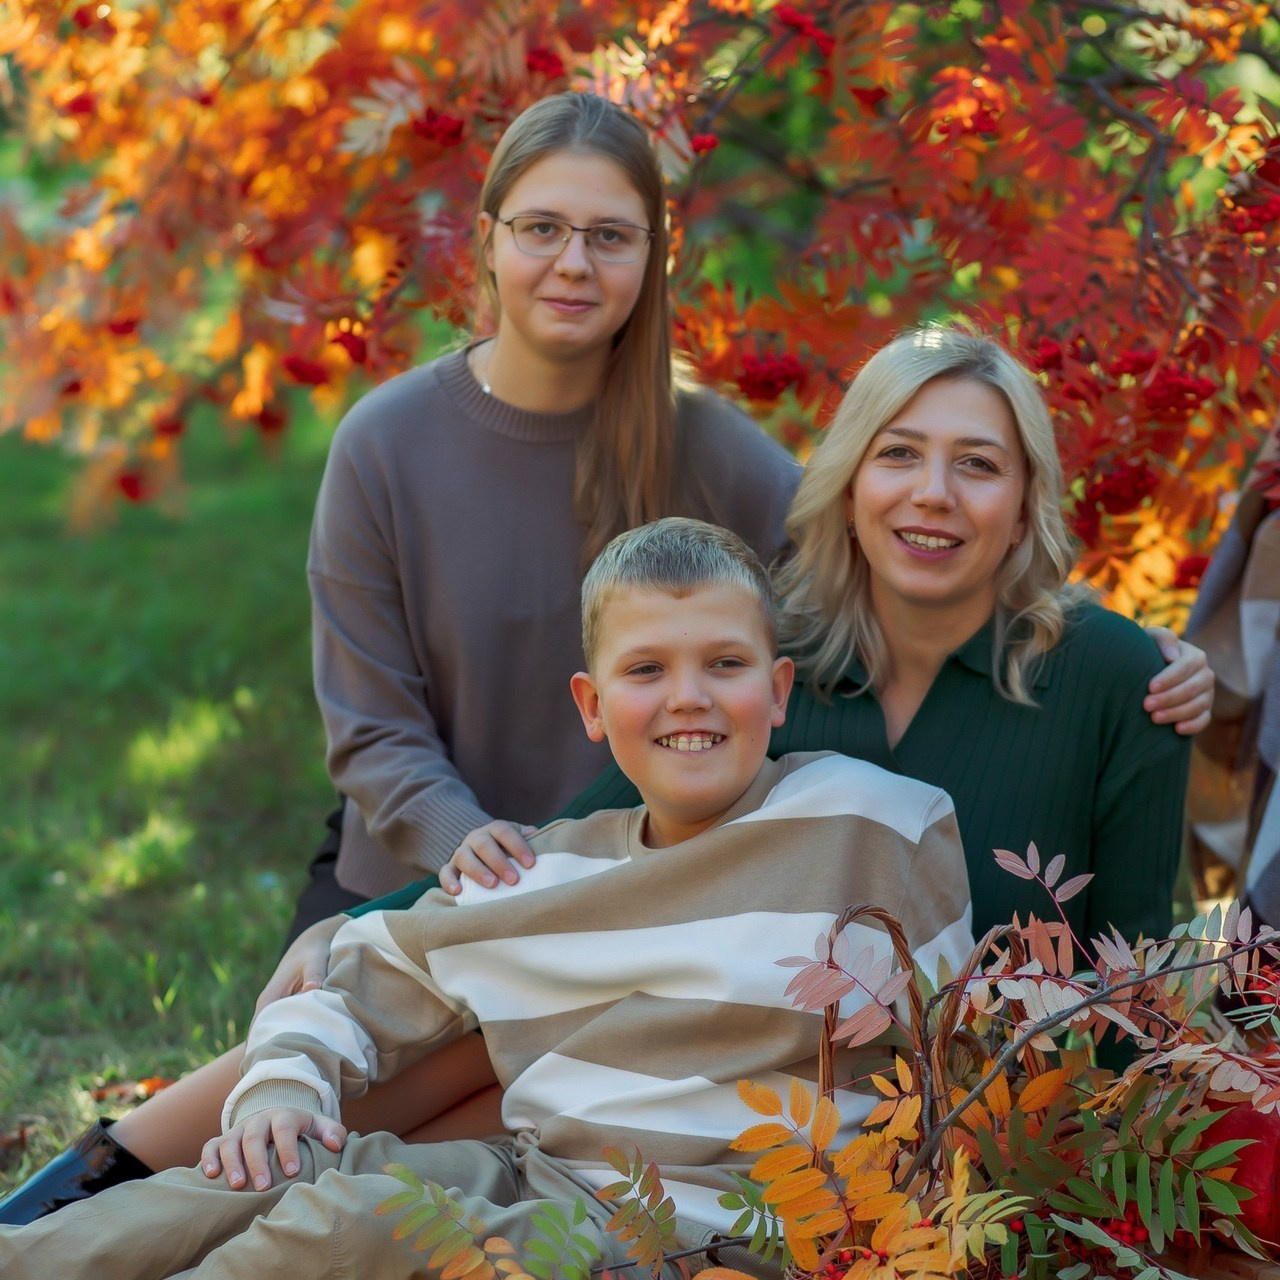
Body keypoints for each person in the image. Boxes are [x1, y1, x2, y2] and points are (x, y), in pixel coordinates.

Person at [0, 90, 801, 1222]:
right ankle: (37, 1220)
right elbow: (372, 728)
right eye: (541, 228)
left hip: (615, 901)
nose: (572, 263)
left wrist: (1123, 643)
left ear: (650, 258)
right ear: (487, 241)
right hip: (422, 866)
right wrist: (458, 848)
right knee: (274, 1132)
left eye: (610, 236)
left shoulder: (707, 444)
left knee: (359, 1178)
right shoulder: (386, 440)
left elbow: (890, 552)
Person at [0, 519, 975, 1280]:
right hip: (540, 1183)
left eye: (722, 663)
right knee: (285, 1174)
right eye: (646, 669)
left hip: (709, 1239)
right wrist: (285, 1081)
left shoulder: (874, 821)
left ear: (776, 687)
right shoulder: (545, 875)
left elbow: (958, 1054)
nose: (687, 696)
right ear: (592, 707)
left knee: (357, 1222)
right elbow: (361, 974)